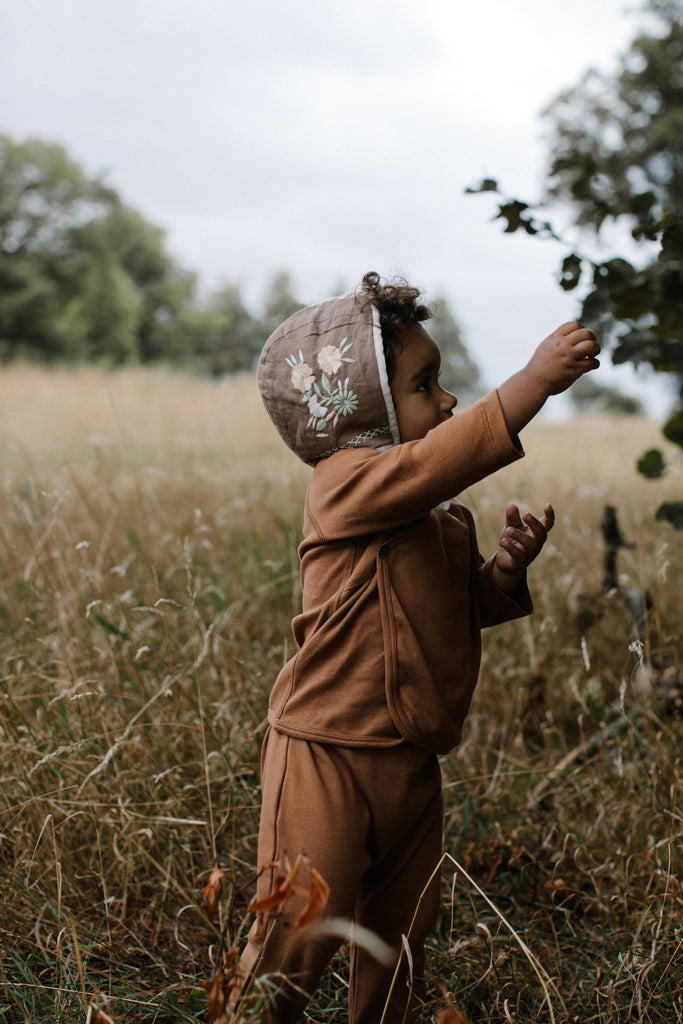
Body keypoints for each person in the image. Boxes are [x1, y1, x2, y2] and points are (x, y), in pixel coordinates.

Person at [229, 271, 600, 1023]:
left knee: (398, 937)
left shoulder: (438, 518)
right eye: (424, 384)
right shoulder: (341, 486)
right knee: (294, 933)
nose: (447, 400)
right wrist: (531, 382)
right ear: (363, 414)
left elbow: (448, 610)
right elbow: (440, 458)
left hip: (410, 753)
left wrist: (500, 573)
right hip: (325, 750)